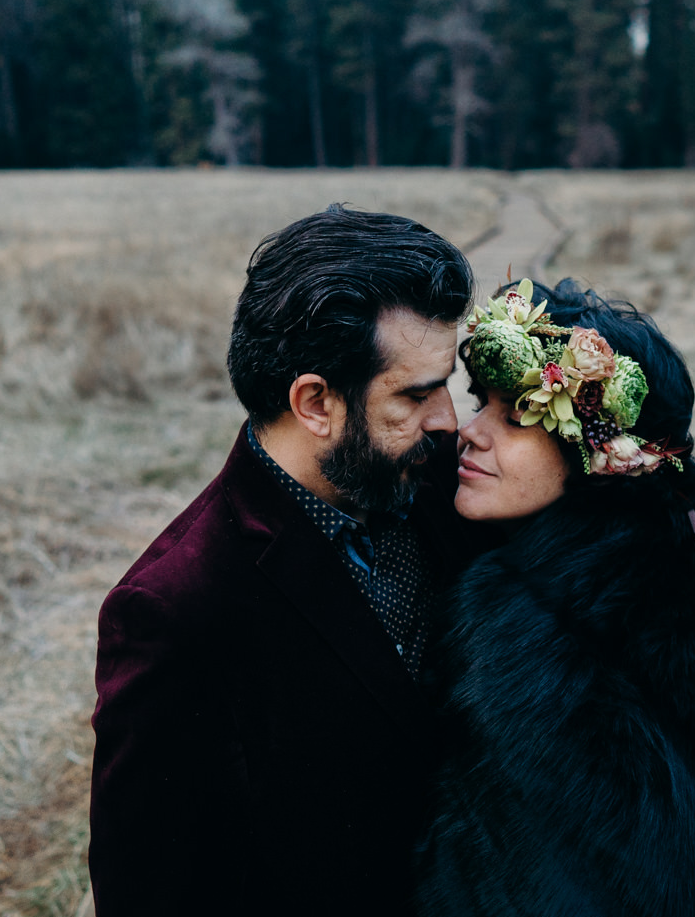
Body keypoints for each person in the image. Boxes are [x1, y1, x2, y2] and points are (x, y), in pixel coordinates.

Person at [88, 205, 477, 916]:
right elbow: (155, 891)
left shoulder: (448, 483)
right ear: (315, 403)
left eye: (446, 384)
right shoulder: (177, 611)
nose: (449, 420)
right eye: (416, 394)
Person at [417, 278, 695, 917]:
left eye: (520, 413)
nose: (470, 431)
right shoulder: (672, 556)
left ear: (600, 451)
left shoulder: (526, 629)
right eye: (481, 402)